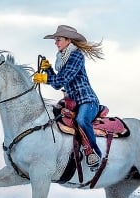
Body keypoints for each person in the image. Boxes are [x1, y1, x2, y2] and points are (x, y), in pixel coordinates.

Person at [33, 25, 104, 167]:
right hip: (72, 102)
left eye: (58, 39)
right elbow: (57, 84)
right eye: (56, 40)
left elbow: (62, 79)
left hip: (87, 100)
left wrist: (44, 78)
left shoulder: (76, 56)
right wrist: (48, 70)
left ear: (68, 40)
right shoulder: (63, 58)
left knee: (82, 119)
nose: (56, 42)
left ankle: (93, 153)